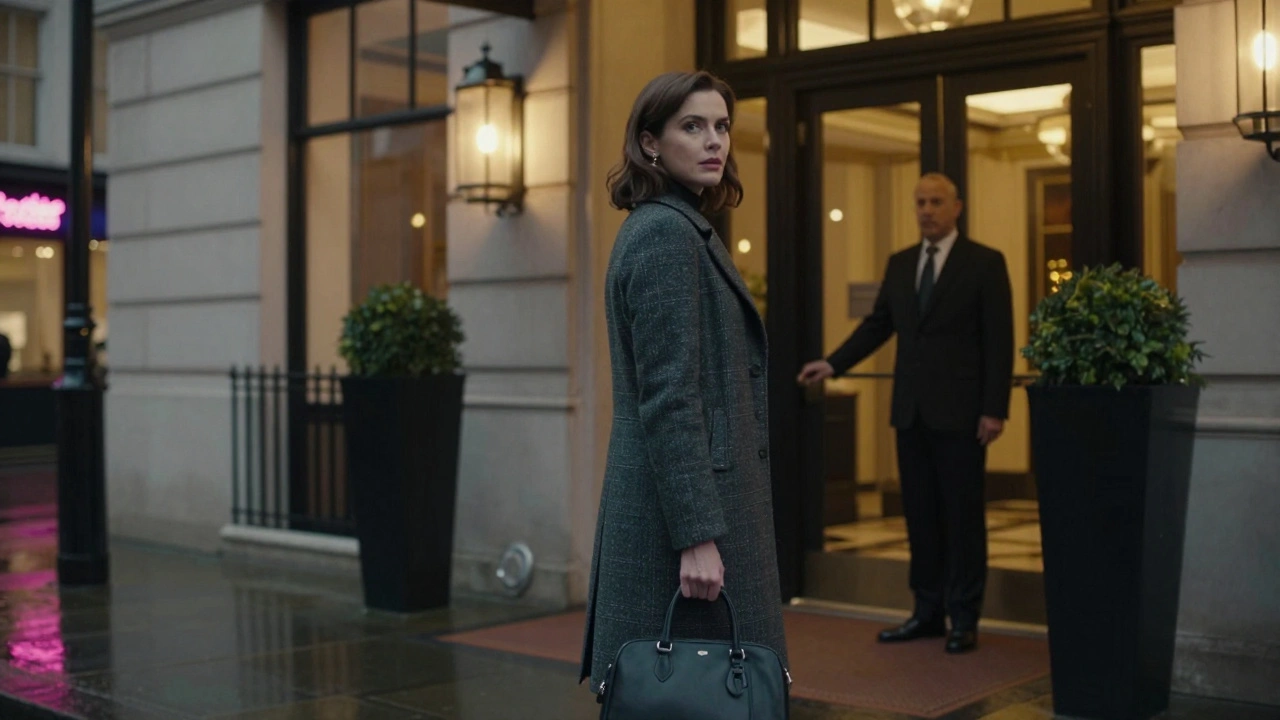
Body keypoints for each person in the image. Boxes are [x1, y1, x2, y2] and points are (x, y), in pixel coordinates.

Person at [580, 71, 788, 694]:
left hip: (691, 506)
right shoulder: (666, 236)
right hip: (685, 522)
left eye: (721, 126)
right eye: (691, 126)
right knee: (693, 699)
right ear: (650, 143)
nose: (713, 141)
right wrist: (698, 536)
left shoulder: (678, 228)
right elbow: (670, 399)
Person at [797, 172, 1014, 654]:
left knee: (961, 518)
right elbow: (877, 327)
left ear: (957, 207)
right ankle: (926, 611)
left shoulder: (984, 263)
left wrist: (994, 409)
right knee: (919, 517)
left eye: (936, 201)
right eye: (920, 202)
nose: (927, 210)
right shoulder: (900, 264)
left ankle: (964, 617)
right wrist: (832, 363)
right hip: (911, 414)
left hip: (962, 416)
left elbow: (1000, 342)